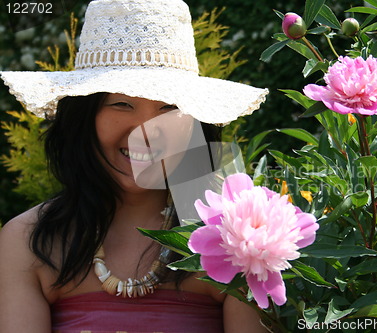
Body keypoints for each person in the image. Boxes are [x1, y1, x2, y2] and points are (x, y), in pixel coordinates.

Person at [0, 0, 269, 332]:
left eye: (168, 108)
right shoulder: (28, 243)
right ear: (85, 117)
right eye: (122, 104)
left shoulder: (241, 242)